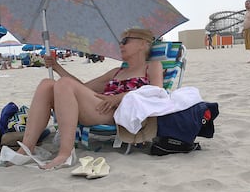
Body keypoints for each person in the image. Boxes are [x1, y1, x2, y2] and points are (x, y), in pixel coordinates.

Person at [17, 28, 163, 169]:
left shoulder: (152, 67)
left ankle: (65, 154)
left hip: (117, 113)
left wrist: (119, 97)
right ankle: (26, 148)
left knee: (64, 84)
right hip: (99, 106)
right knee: (47, 84)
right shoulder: (116, 72)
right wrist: (57, 67)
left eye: (125, 41)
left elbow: (156, 92)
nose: (121, 45)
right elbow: (81, 87)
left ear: (143, 44)